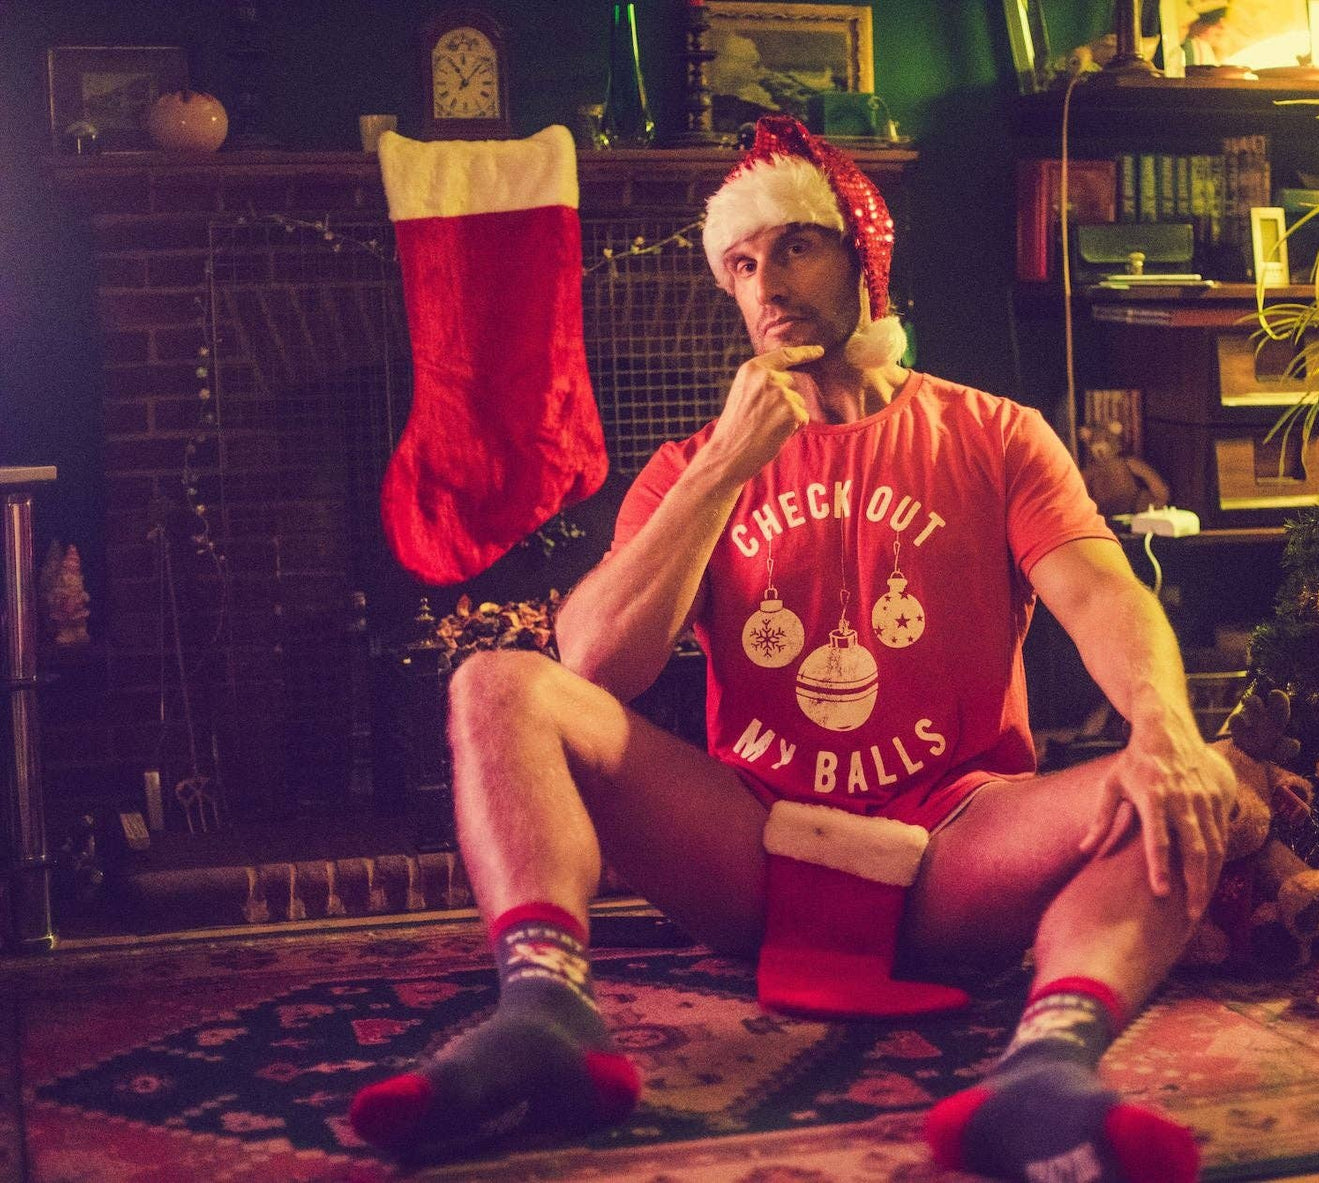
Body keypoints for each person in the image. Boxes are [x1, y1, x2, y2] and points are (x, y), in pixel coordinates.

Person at [348, 116, 1237, 1182]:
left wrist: (1164, 727)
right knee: (496, 682)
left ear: (865, 257)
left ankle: (1045, 1070)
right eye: (740, 262)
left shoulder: (996, 434)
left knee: (1188, 780)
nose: (767, 283)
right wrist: (722, 468)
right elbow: (591, 668)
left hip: (959, 849)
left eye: (795, 246)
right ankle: (544, 1018)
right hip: (755, 847)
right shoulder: (689, 467)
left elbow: (1100, 594)